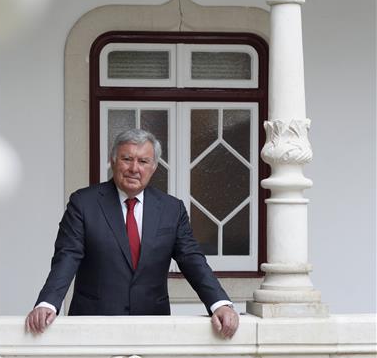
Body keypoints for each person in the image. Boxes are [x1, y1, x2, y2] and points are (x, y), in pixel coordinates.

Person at [25, 129, 239, 338]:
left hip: (152, 325)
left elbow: (192, 259)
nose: (134, 168)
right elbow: (67, 256)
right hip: (94, 325)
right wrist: (48, 303)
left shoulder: (171, 209)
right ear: (113, 161)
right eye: (127, 159)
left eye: (143, 161)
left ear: (154, 167)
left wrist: (219, 303)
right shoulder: (84, 203)